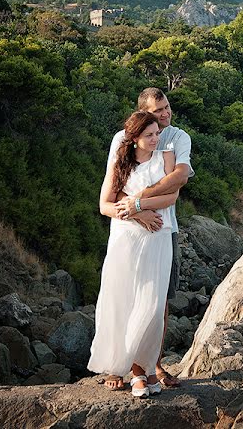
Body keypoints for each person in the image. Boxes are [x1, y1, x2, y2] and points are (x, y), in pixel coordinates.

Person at [104, 88, 194, 391]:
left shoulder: (178, 139)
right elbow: (110, 196)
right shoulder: (121, 140)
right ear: (142, 115)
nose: (165, 115)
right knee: (124, 296)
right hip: (128, 232)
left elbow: (179, 180)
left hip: (163, 231)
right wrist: (135, 213)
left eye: (167, 107)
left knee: (159, 301)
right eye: (157, 112)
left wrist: (140, 201)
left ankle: (153, 363)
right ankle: (123, 365)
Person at [88, 111, 179, 398]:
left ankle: (146, 367)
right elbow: (105, 205)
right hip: (125, 239)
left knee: (152, 306)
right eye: (149, 135)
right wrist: (138, 215)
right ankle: (138, 372)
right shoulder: (121, 163)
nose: (156, 138)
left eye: (157, 133)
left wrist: (137, 205)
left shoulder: (165, 156)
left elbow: (172, 196)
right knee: (123, 302)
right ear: (135, 138)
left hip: (157, 239)